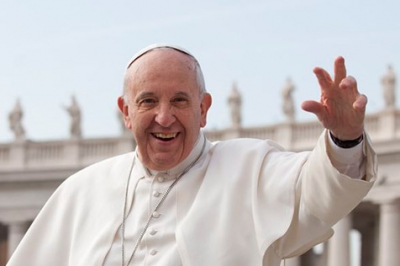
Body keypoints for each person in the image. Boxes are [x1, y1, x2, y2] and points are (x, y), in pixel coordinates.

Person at [7, 44, 377, 266]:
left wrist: (345, 137)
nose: (164, 117)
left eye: (180, 101)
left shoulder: (249, 167)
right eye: (148, 101)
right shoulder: (81, 190)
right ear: (125, 111)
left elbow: (317, 191)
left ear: (204, 109)